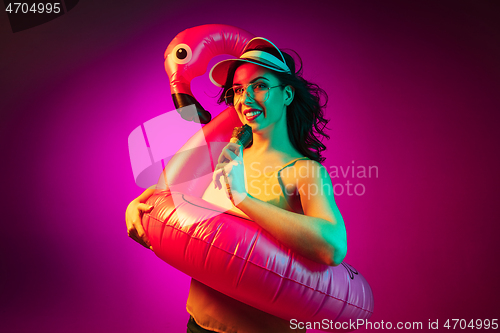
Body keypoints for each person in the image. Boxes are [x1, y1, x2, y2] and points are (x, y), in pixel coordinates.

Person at [126, 37, 347, 333]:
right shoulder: (224, 155)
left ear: (287, 94)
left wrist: (243, 199)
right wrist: (135, 209)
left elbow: (333, 247)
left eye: (260, 86)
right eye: (239, 89)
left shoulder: (305, 172)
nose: (246, 98)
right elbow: (170, 201)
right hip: (199, 326)